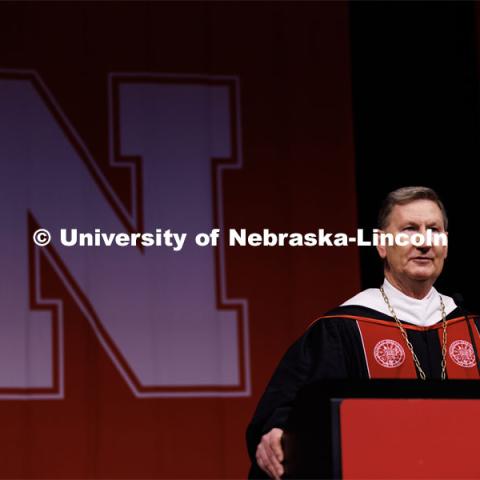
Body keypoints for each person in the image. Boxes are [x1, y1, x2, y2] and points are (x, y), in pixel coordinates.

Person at [246, 186, 480, 479]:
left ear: (445, 245)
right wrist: (276, 432)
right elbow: (289, 412)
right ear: (381, 244)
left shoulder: (471, 328)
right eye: (409, 230)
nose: (423, 242)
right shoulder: (343, 328)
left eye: (433, 230)